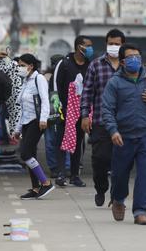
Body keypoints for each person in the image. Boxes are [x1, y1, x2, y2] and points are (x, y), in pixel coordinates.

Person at [102, 43, 146, 225]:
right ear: (122, 62)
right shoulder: (115, 83)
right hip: (123, 137)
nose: (135, 60)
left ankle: (140, 211)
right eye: (131, 58)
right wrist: (113, 131)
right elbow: (107, 109)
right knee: (120, 175)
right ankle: (118, 199)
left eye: (137, 57)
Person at [80, 29, 125, 206]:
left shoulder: (129, 66)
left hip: (123, 122)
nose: (114, 47)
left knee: (120, 162)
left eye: (117, 44)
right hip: (100, 121)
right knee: (100, 159)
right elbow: (87, 92)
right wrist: (85, 115)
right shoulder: (96, 65)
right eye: (111, 43)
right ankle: (101, 188)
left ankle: (116, 196)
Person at [13, 54, 55, 200]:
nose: (19, 68)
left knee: (25, 154)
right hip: (26, 122)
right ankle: (36, 188)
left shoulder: (39, 79)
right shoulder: (25, 81)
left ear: (30, 66)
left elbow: (44, 100)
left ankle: (46, 182)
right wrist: (18, 129)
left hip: (37, 122)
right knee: (31, 154)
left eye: (21, 65)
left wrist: (43, 119)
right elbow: (23, 108)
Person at [54, 36, 93, 187]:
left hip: (83, 111)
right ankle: (61, 173)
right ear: (79, 47)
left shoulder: (90, 65)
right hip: (65, 110)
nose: (90, 48)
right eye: (88, 45)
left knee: (78, 142)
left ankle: (75, 175)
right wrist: (59, 109)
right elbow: (56, 88)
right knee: (62, 141)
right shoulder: (64, 64)